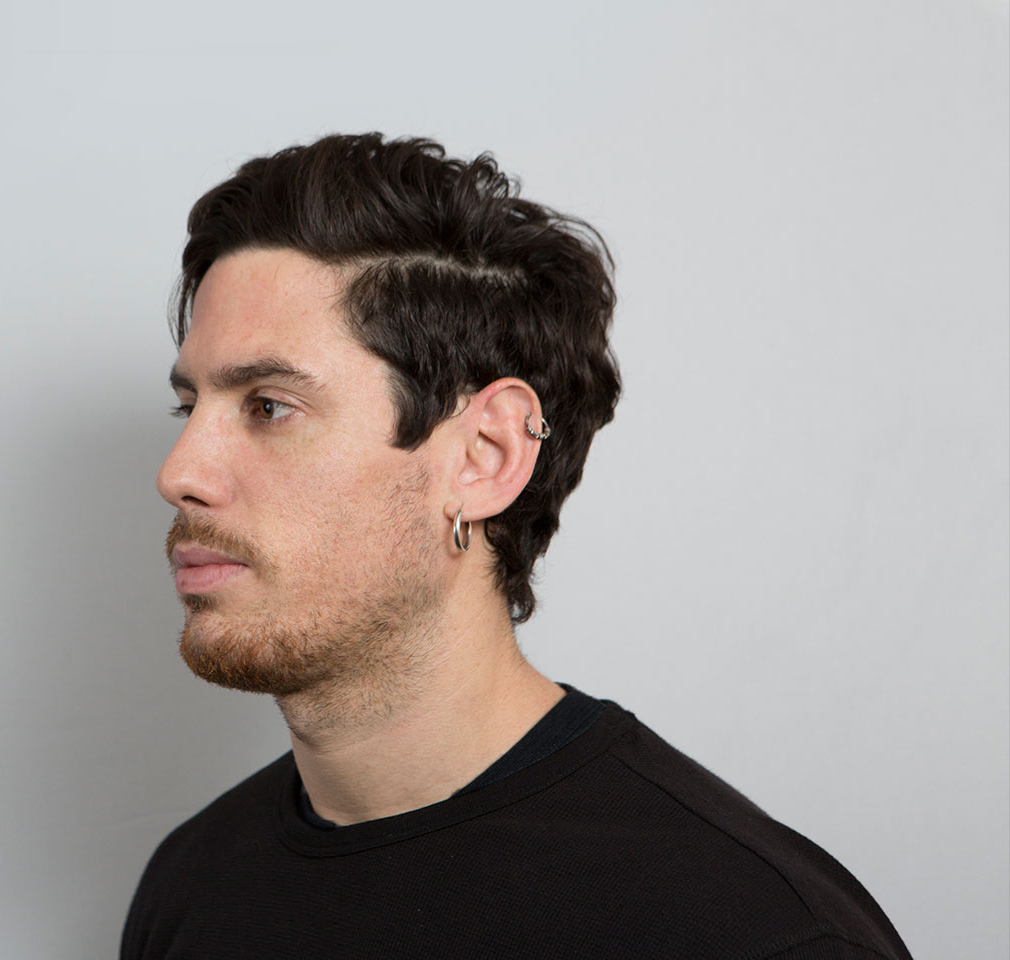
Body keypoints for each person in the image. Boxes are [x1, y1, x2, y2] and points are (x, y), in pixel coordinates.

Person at [121, 132, 913, 959]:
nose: (179, 473)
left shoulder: (752, 931)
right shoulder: (194, 881)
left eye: (269, 406)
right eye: (191, 409)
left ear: (484, 457)